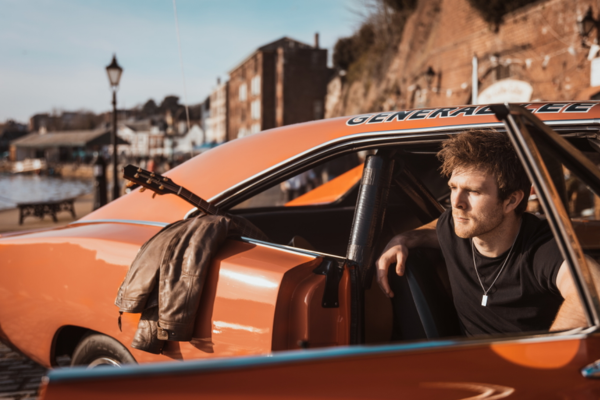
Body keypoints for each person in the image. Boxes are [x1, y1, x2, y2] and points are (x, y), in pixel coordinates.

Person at [376, 130, 587, 336]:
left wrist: (550, 354)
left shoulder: (543, 245)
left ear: (511, 201)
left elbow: (591, 290)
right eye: (453, 187)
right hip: (465, 357)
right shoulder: (456, 225)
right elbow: (434, 228)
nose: (456, 203)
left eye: (473, 191)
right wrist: (403, 238)